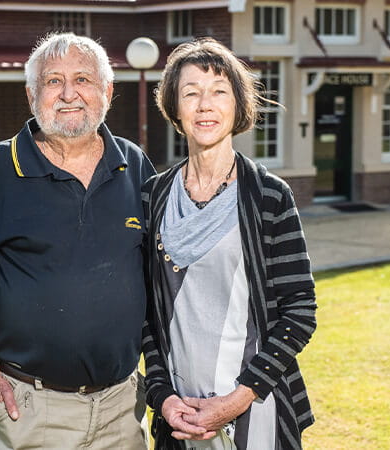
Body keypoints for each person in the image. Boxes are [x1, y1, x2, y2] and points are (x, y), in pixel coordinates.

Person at [0, 32, 155, 449]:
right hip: (30, 408)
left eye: (82, 79)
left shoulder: (135, 166)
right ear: (32, 95)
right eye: (52, 81)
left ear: (107, 91)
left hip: (121, 407)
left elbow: (158, 284)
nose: (68, 94)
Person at [141, 38, 317, 450]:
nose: (205, 104)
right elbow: (146, 315)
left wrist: (239, 398)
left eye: (219, 91)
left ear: (237, 104)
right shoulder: (153, 197)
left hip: (255, 408)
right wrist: (162, 398)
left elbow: (300, 310)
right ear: (174, 107)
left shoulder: (269, 196)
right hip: (179, 416)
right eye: (191, 93)